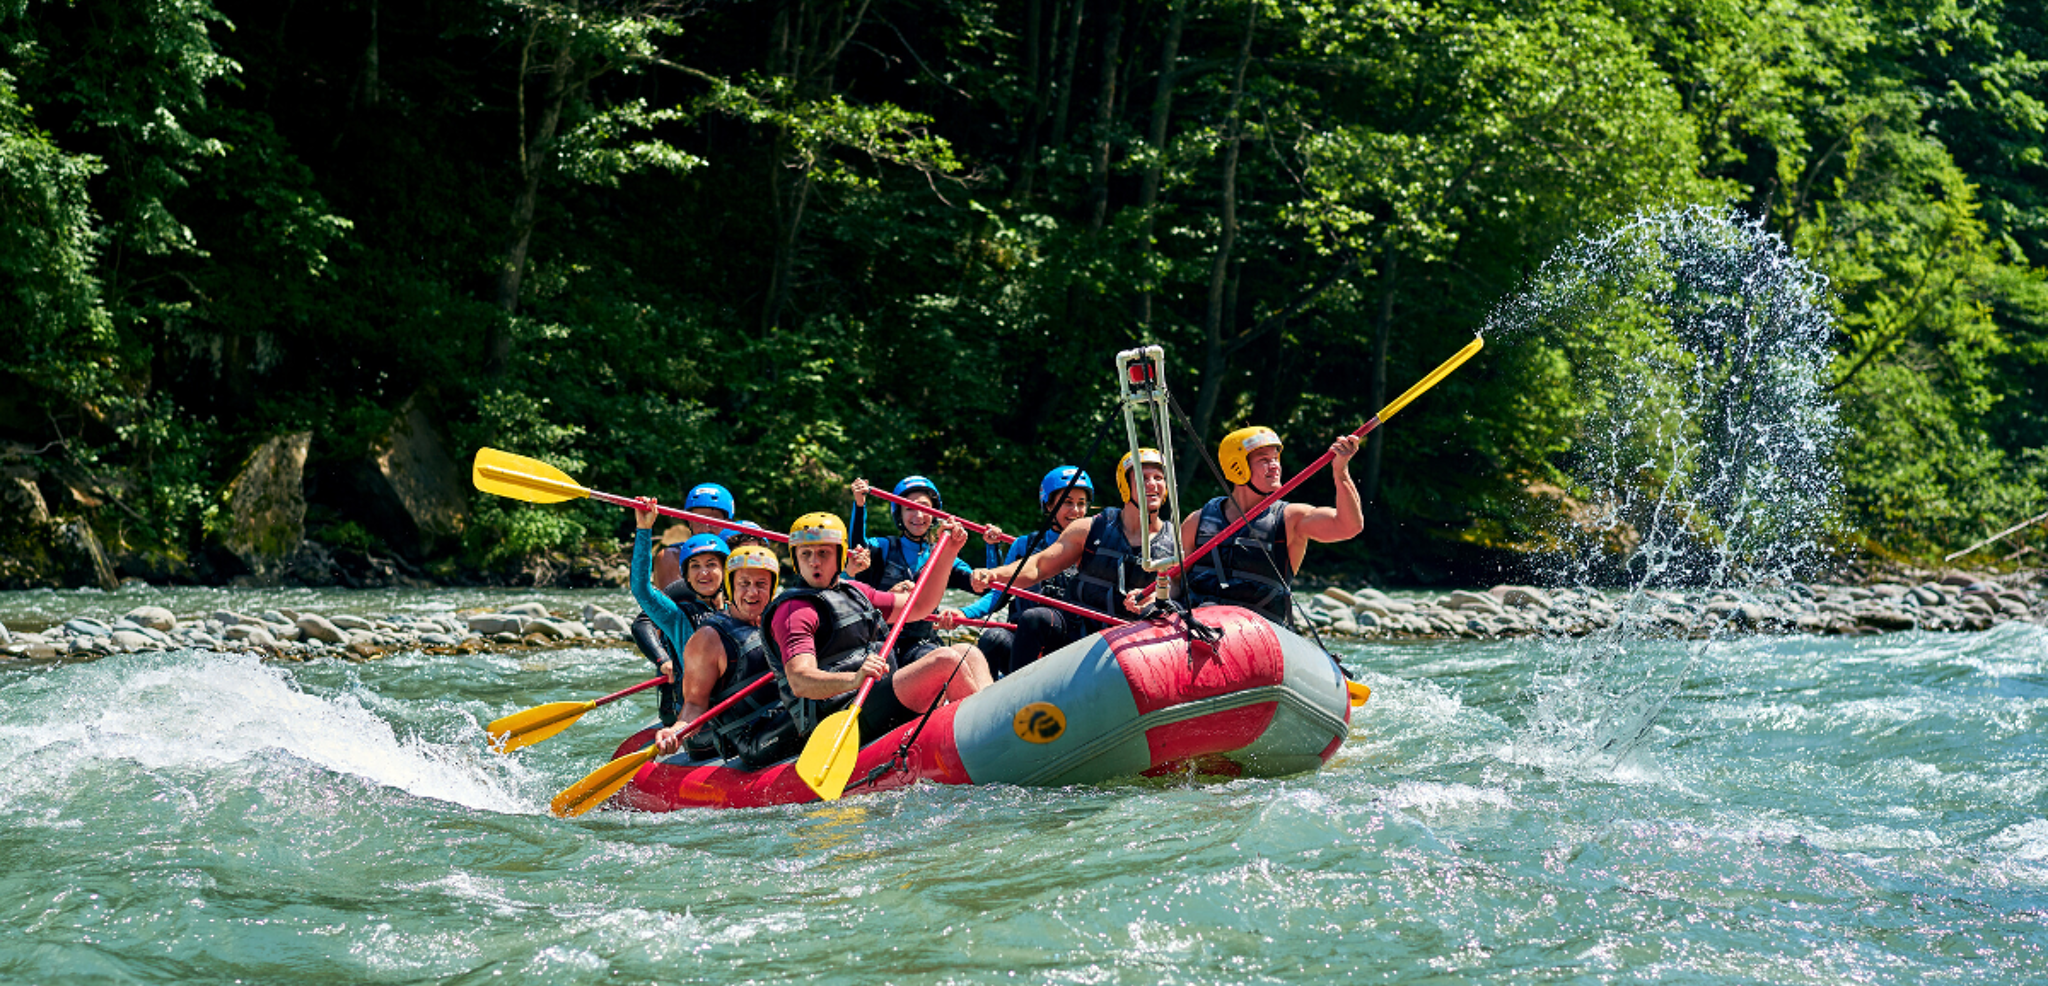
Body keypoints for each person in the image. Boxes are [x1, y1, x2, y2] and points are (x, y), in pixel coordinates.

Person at [762, 511, 992, 746]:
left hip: (875, 693)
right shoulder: (793, 612)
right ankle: (987, 740)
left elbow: (921, 605)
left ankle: (995, 722)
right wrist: (854, 679)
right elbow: (800, 681)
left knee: (968, 652)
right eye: (806, 554)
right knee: (944, 661)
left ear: (841, 555)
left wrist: (949, 552)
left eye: (823, 553)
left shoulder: (856, 591)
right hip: (839, 713)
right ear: (796, 558)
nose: (814, 561)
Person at [971, 449, 1180, 629]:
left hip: (1134, 637)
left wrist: (1155, 598)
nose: (1151, 484)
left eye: (1158, 478)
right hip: (1076, 630)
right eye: (1142, 478)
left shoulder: (1176, 538)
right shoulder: (1086, 530)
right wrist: (992, 575)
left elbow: (1183, 591)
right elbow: (1038, 567)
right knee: (1024, 625)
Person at [1180, 426, 1363, 625]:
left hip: (1258, 633)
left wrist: (1341, 472)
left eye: (1276, 458)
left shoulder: (1291, 518)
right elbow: (1172, 580)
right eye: (1264, 460)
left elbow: (1348, 526)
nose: (1275, 465)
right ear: (1237, 467)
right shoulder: (1197, 521)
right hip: (1199, 625)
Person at [648, 542, 800, 766]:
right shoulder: (708, 639)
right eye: (744, 584)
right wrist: (677, 731)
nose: (752, 592)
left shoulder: (779, 622)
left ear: (772, 587)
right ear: (730, 586)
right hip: (751, 737)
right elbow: (694, 705)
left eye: (761, 584)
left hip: (783, 716)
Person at [940, 465, 1093, 675]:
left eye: (1081, 504)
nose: (1075, 511)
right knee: (993, 638)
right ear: (1048, 505)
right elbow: (998, 596)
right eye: (1067, 502)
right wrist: (964, 613)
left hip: (1068, 638)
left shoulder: (1093, 548)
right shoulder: (1024, 546)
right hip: (1024, 640)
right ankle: (995, 699)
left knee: (1037, 618)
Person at [846, 475, 982, 665]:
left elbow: (989, 589)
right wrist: (860, 505)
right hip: (881, 641)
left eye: (925, 508)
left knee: (940, 657)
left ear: (934, 513)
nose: (918, 515)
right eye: (909, 508)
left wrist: (964, 613)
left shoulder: (945, 556)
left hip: (923, 643)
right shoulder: (884, 547)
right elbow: (858, 548)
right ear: (899, 513)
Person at [631, 532, 728, 725]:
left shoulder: (740, 609)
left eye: (711, 564)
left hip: (736, 707)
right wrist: (644, 529)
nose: (703, 573)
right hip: (702, 719)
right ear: (687, 577)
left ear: (725, 571)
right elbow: (641, 589)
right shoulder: (677, 617)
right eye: (695, 566)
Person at [653, 482, 739, 587]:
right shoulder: (672, 556)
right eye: (699, 521)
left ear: (729, 523)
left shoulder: (739, 556)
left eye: (714, 521)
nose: (706, 528)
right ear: (690, 523)